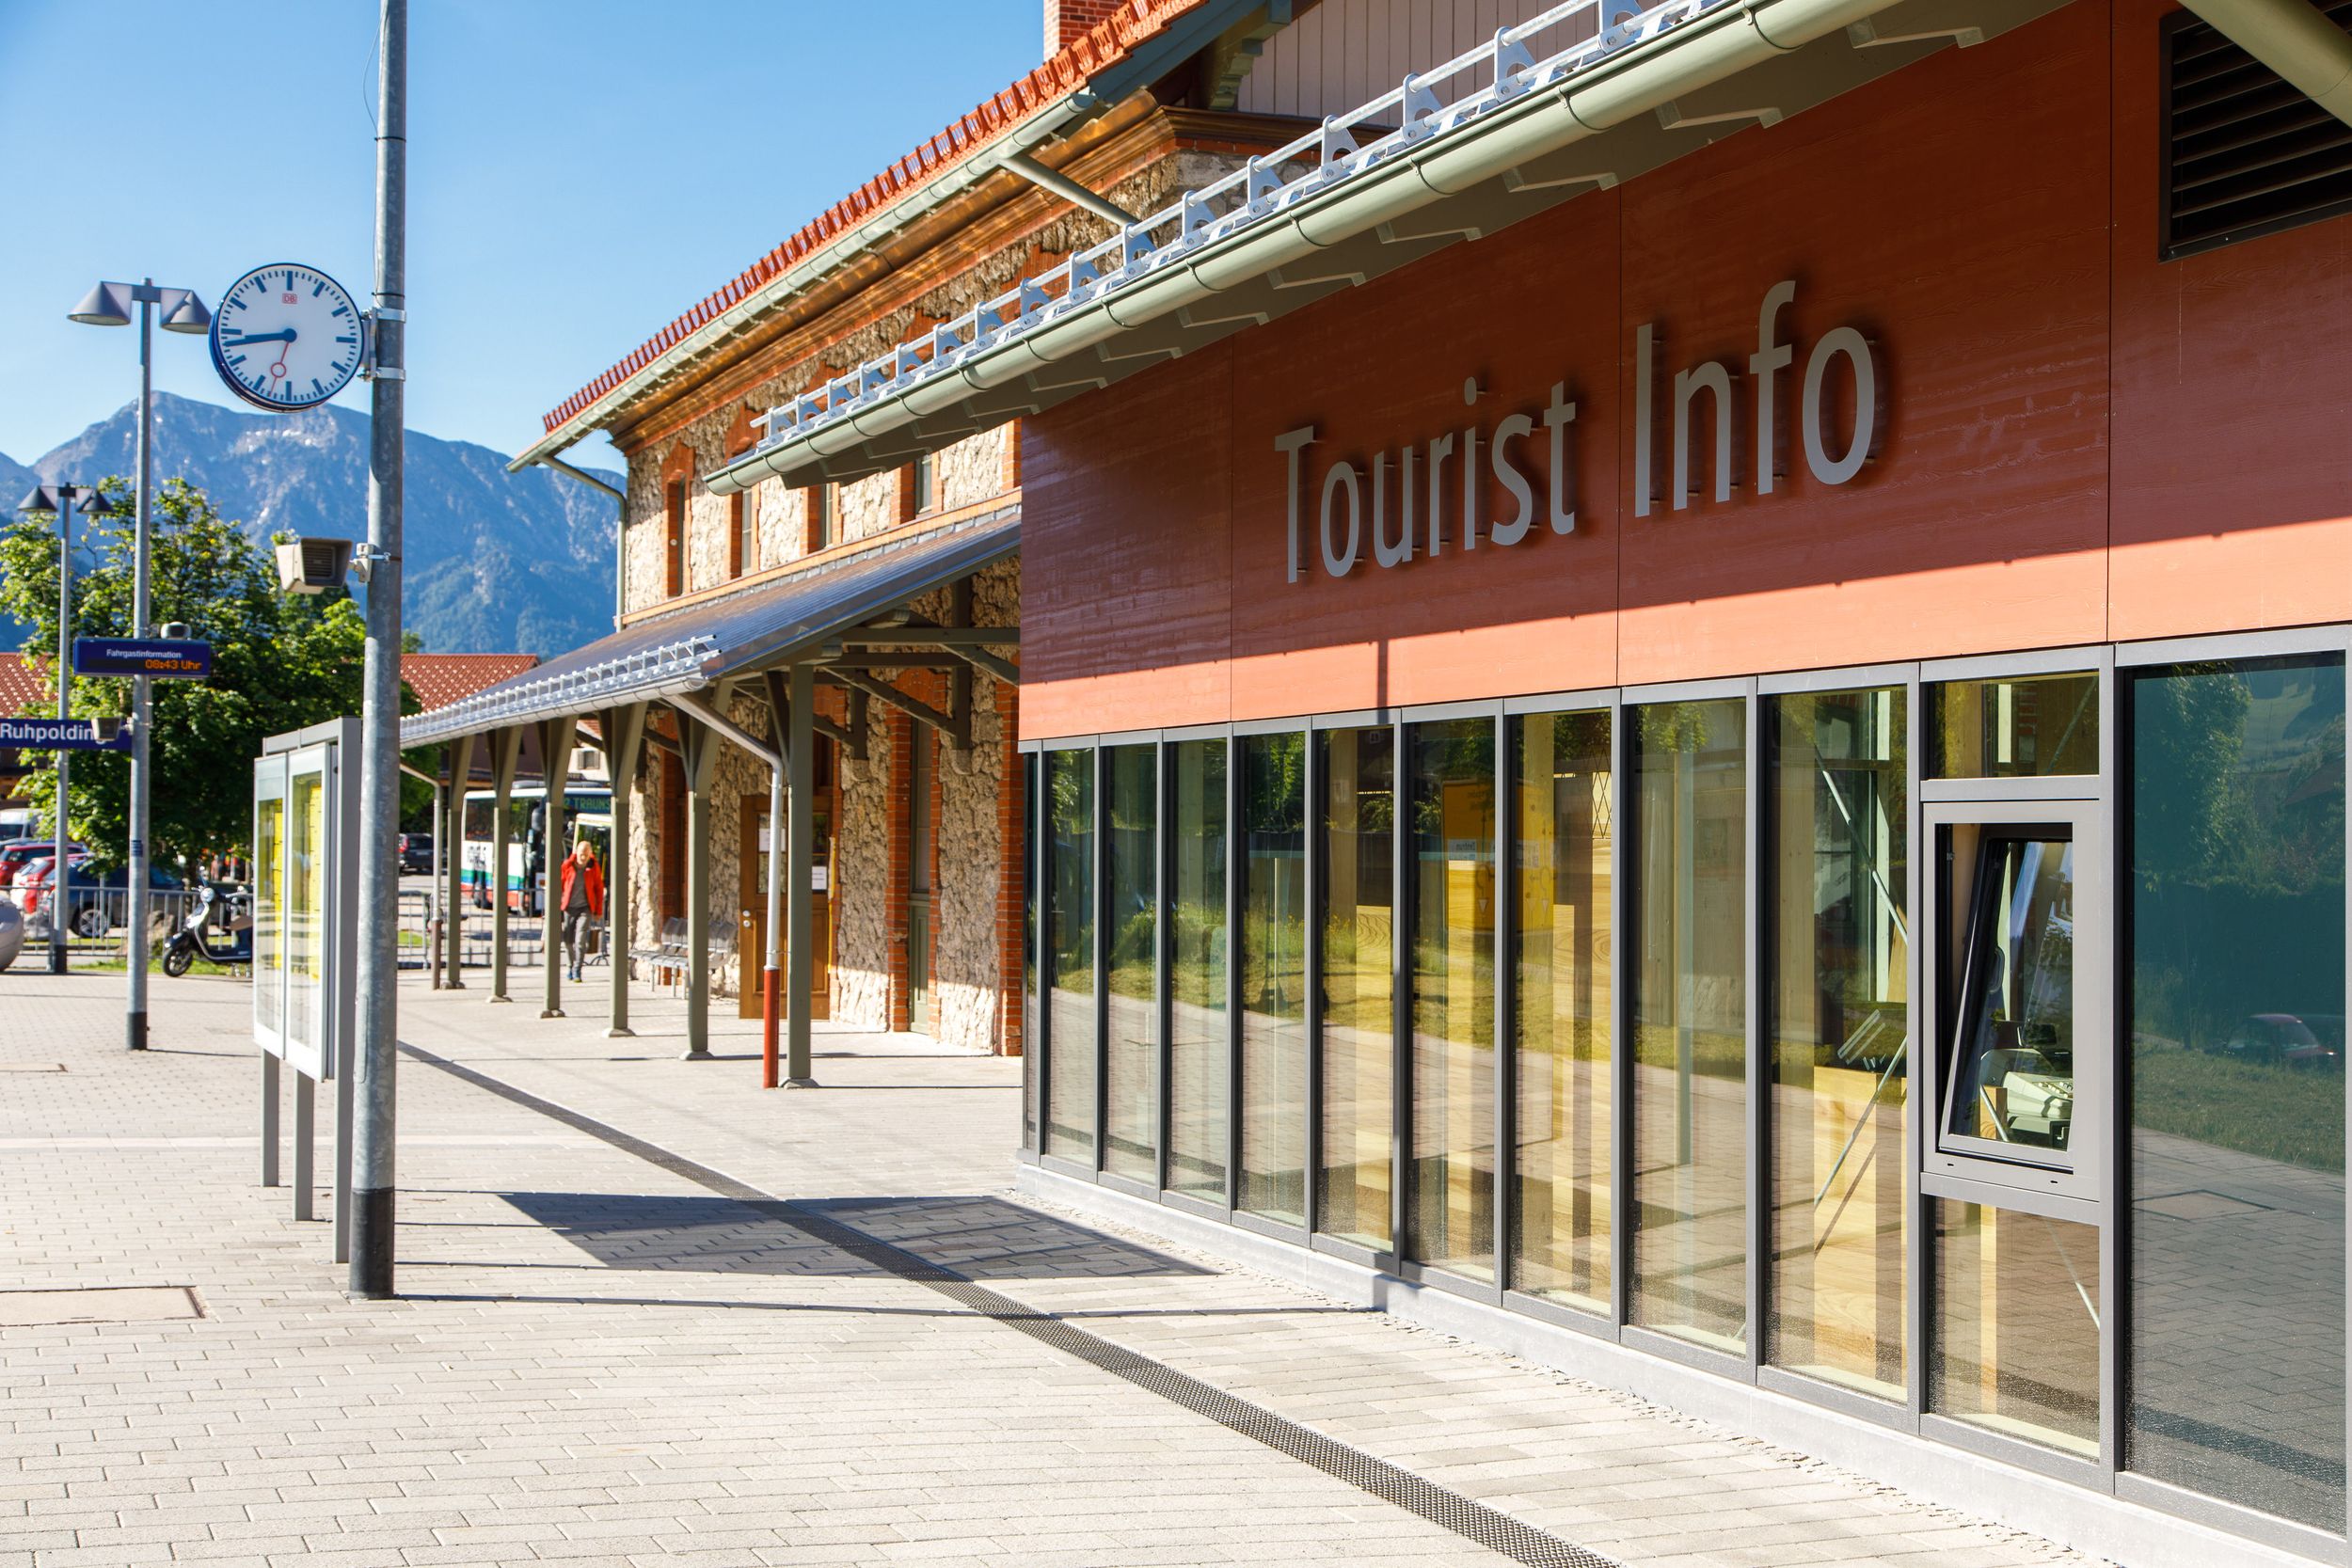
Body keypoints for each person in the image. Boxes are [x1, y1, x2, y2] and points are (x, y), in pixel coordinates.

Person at [558, 840, 604, 982]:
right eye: (581, 853)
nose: (583, 857)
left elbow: (598, 889)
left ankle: (577, 969)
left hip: (585, 908)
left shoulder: (593, 867)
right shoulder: (567, 865)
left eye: (586, 854)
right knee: (568, 940)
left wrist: (598, 911)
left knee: (580, 939)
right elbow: (560, 883)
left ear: (590, 853)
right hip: (569, 908)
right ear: (576, 852)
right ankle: (570, 965)